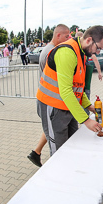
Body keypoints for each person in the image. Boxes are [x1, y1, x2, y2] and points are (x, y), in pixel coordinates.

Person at [36, 26, 103, 155]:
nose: (97, 53)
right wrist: (86, 120)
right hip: (52, 107)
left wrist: (88, 106)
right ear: (89, 40)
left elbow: (78, 86)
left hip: (68, 105)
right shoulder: (67, 52)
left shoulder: (81, 52)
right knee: (59, 151)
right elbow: (66, 91)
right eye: (98, 48)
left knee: (73, 143)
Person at [27, 24, 71, 167]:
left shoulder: (52, 50)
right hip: (50, 102)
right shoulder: (50, 52)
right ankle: (48, 162)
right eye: (66, 36)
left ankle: (36, 152)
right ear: (58, 35)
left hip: (53, 101)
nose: (68, 39)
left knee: (51, 131)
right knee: (53, 135)